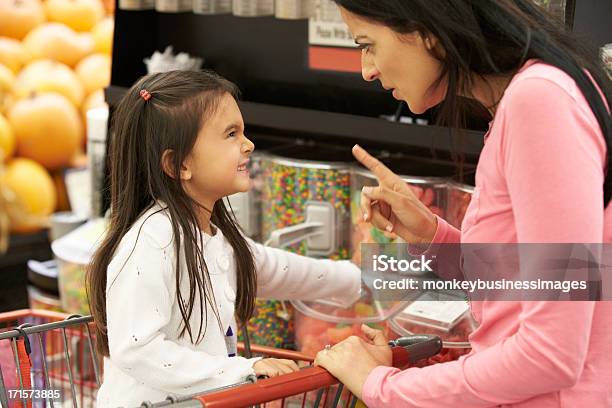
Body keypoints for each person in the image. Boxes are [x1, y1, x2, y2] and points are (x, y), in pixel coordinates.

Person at [314, 1, 612, 407]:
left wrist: (380, 386)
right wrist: (432, 236)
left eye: (368, 45)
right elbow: (536, 283)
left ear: (427, 30)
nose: (367, 70)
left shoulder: (539, 101)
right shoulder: (537, 95)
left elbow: (550, 356)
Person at [86, 70, 361, 407]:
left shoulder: (214, 237)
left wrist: (369, 278)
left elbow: (283, 270)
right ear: (178, 164)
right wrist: (242, 370)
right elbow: (136, 348)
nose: (249, 144)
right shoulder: (153, 239)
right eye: (231, 134)